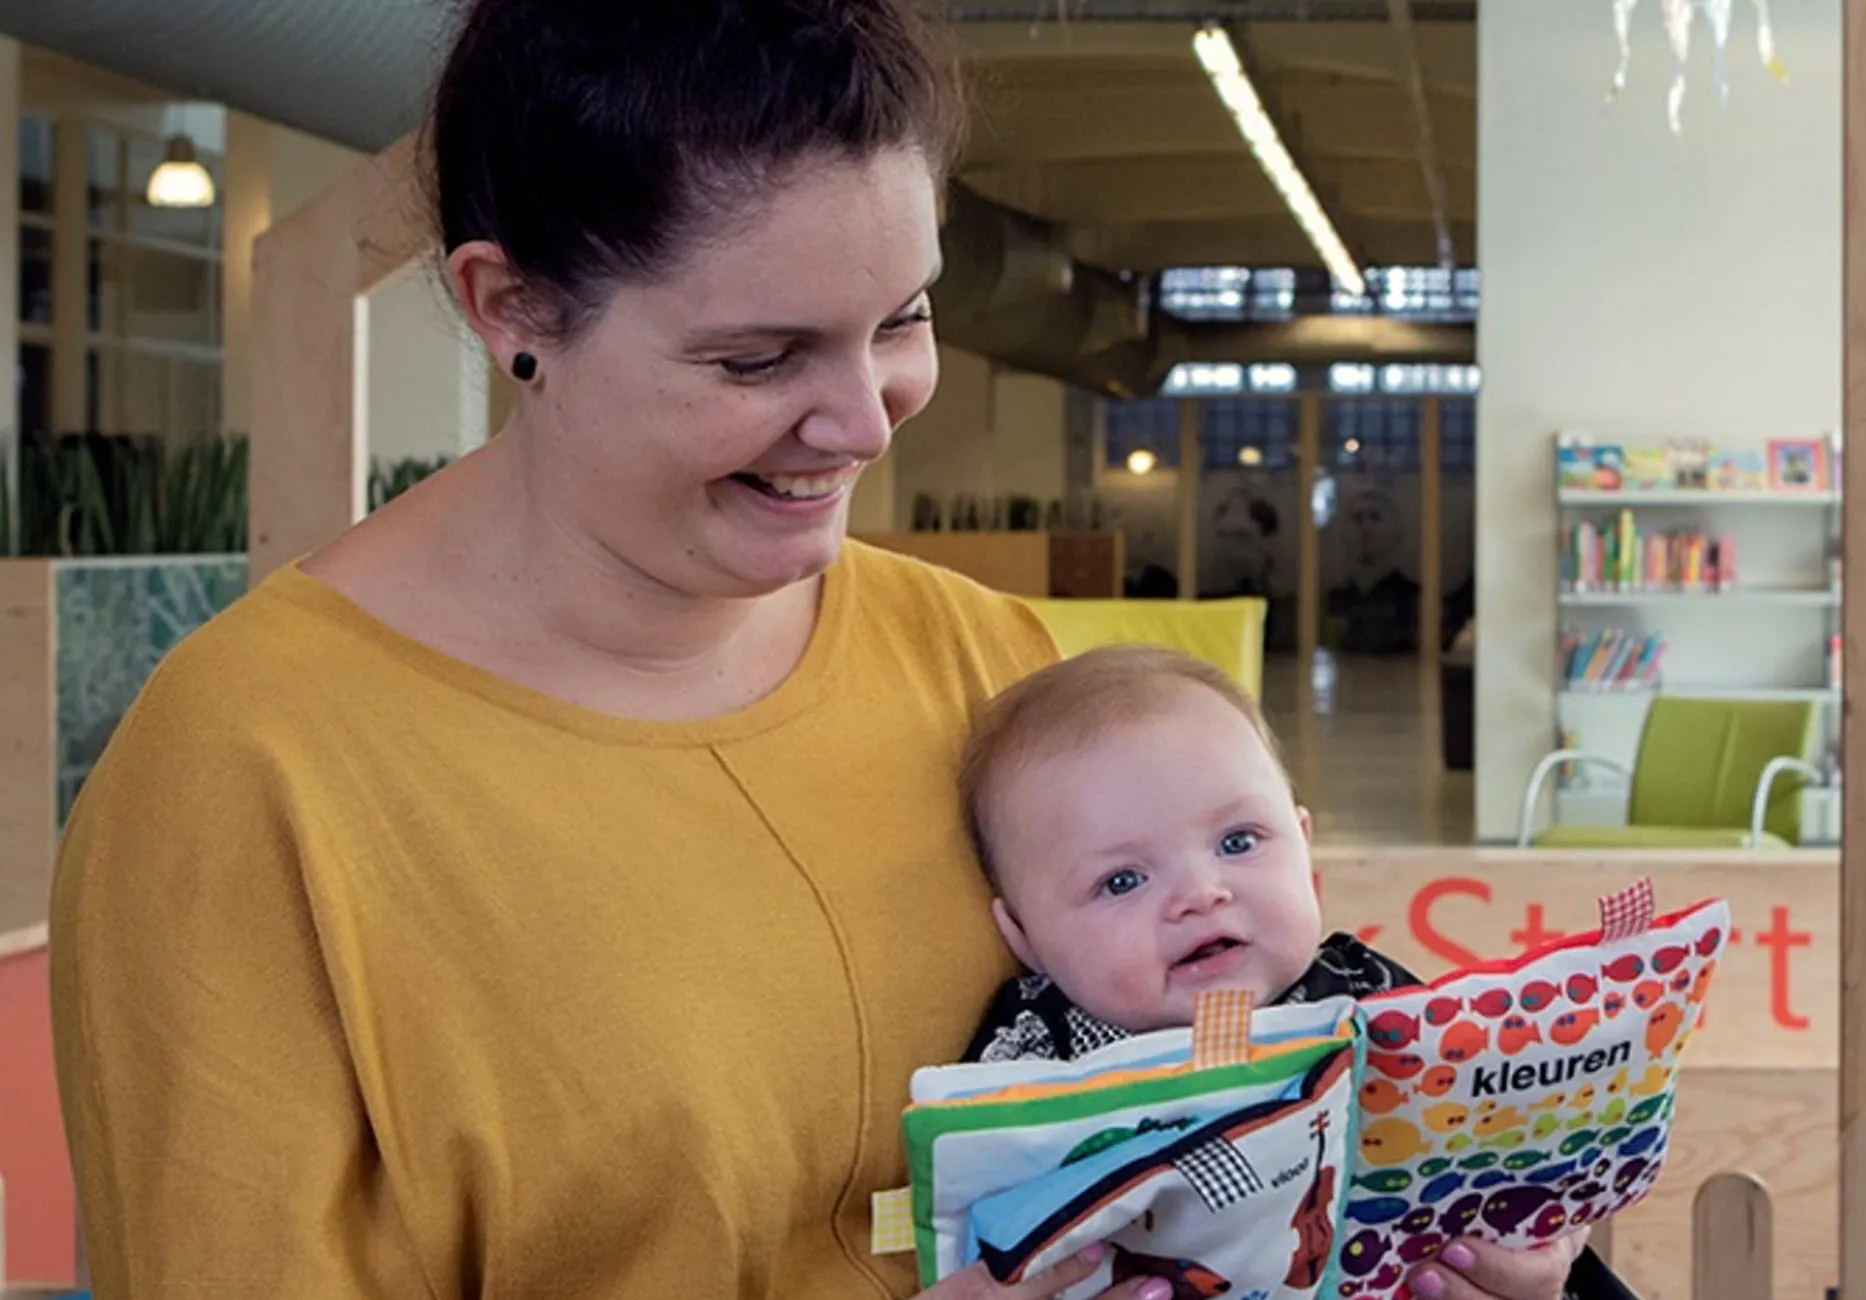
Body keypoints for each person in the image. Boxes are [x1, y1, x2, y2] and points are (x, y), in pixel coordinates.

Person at [42, 3, 1603, 1299]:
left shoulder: (990, 671)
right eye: (756, 356)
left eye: (901, 322)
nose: (860, 424)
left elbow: (1249, 1093)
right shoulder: (252, 771)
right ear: (508, 303)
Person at [956, 647, 1634, 1300]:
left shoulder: (1371, 997)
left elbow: (1492, 1139)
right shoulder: (1028, 1057)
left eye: (1238, 842)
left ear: (1305, 851)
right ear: (1025, 938)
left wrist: (1536, 1227)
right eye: (1122, 880)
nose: (1202, 892)